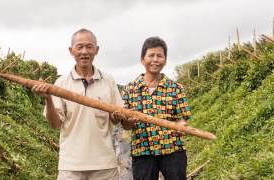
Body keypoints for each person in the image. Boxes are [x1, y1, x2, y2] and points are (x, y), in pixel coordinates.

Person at [32, 28, 125, 180]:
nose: (84, 52)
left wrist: (117, 116)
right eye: (79, 47)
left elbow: (116, 119)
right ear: (71, 50)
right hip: (71, 166)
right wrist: (48, 98)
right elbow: (55, 124)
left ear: (96, 50)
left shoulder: (108, 81)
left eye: (89, 46)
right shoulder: (61, 83)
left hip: (104, 165)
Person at [121, 37, 193, 180]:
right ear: (142, 59)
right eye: (151, 55)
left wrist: (181, 126)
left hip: (172, 150)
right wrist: (130, 122)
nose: (155, 59)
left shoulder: (176, 88)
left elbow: (182, 118)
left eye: (159, 56)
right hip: (142, 152)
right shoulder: (130, 89)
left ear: (165, 60)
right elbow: (125, 125)